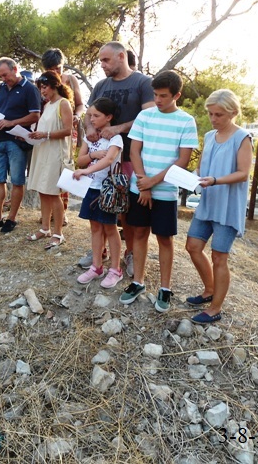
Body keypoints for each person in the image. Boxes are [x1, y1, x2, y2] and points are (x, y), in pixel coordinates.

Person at [119, 70, 199, 313]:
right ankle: (138, 282)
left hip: (165, 191)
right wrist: (143, 182)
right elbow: (134, 151)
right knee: (139, 233)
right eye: (155, 94)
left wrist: (151, 183)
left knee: (165, 239)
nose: (158, 100)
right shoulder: (144, 116)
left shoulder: (186, 121)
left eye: (163, 96)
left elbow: (182, 160)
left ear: (177, 95)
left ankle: (165, 288)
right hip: (139, 188)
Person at [81, 41, 155, 275]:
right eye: (100, 61)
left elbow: (149, 116)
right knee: (103, 205)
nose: (102, 65)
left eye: (106, 60)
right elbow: (88, 115)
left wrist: (118, 128)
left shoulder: (143, 83)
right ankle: (99, 253)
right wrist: (89, 128)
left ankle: (130, 253)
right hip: (103, 161)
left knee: (128, 210)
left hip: (133, 156)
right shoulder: (100, 85)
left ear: (121, 56)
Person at [184, 90, 252, 323]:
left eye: (219, 115)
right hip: (208, 202)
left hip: (228, 206)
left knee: (219, 257)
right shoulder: (210, 136)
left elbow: (243, 173)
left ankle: (215, 309)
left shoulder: (242, 137)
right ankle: (209, 289)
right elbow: (202, 168)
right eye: (210, 114)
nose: (213, 119)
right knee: (193, 246)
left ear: (232, 112)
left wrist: (215, 180)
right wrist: (190, 178)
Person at [0, 57, 41, 234]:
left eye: (5, 75)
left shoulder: (30, 89)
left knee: (17, 181)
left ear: (15, 69)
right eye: (0, 76)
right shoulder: (1, 89)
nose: (4, 79)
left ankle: (12, 218)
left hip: (17, 141)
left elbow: (35, 115)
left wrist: (12, 122)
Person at [73, 98, 125, 289]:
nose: (92, 119)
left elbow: (109, 159)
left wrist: (87, 170)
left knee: (110, 228)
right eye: (90, 115)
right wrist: (92, 156)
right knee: (95, 227)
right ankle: (96, 266)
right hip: (91, 188)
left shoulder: (115, 139)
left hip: (108, 190)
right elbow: (80, 160)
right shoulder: (91, 137)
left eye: (96, 115)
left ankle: (115, 269)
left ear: (108, 117)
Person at [26, 71, 73, 249]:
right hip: (42, 151)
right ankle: (45, 228)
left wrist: (45, 134)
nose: (42, 91)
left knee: (53, 193)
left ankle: (58, 233)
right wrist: (32, 136)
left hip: (55, 154)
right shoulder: (47, 105)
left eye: (45, 87)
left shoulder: (63, 103)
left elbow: (68, 130)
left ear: (54, 85)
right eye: (40, 88)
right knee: (42, 190)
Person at [41, 48, 86, 223]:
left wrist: (77, 116)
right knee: (48, 169)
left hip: (67, 131)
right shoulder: (43, 82)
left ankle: (62, 211)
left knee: (63, 168)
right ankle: (48, 211)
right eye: (51, 69)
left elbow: (80, 105)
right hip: (47, 132)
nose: (56, 72)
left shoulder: (71, 80)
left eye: (58, 68)